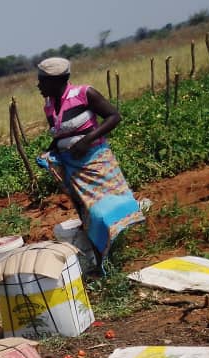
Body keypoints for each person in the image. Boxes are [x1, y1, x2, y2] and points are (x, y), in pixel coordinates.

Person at [35, 57, 145, 266]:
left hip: (95, 162)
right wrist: (50, 151)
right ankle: (103, 261)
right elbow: (60, 133)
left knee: (102, 211)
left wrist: (87, 141)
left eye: (42, 80)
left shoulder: (85, 94)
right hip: (73, 168)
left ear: (57, 81)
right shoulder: (49, 105)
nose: (38, 85)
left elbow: (114, 117)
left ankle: (122, 250)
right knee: (87, 215)